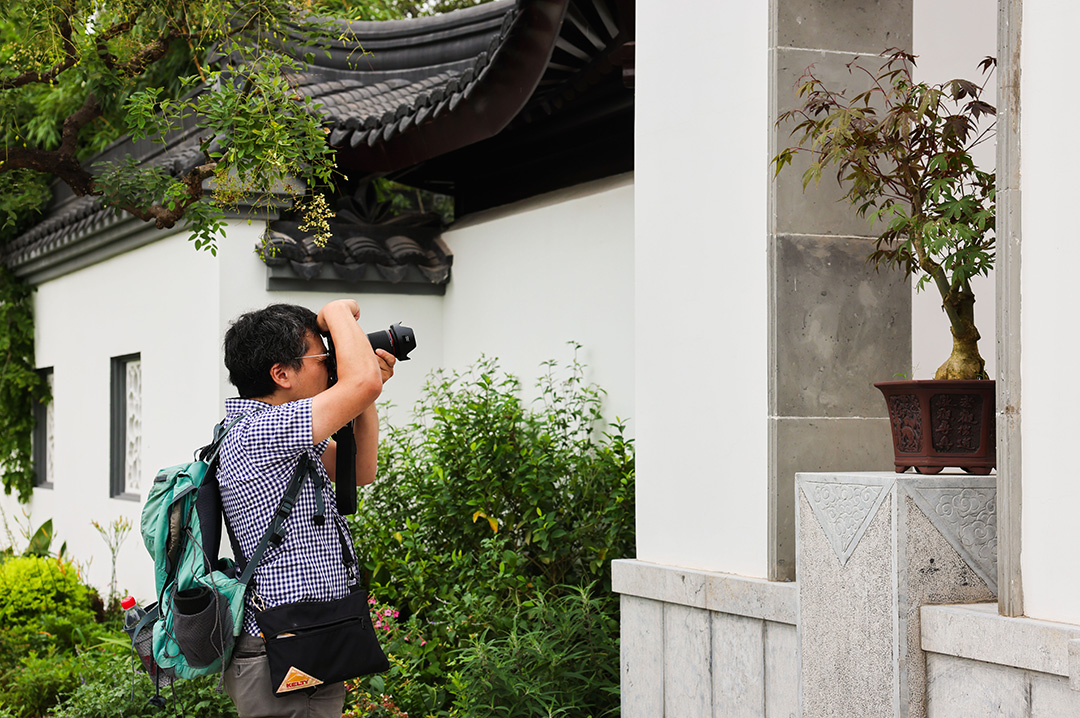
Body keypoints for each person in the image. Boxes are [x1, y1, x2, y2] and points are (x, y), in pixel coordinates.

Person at [217, 300, 395, 717]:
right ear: (281, 374)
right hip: (277, 646)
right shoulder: (258, 431)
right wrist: (337, 313)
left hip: (314, 633)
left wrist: (364, 392)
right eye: (322, 357)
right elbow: (360, 383)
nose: (330, 366)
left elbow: (360, 470)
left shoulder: (286, 431)